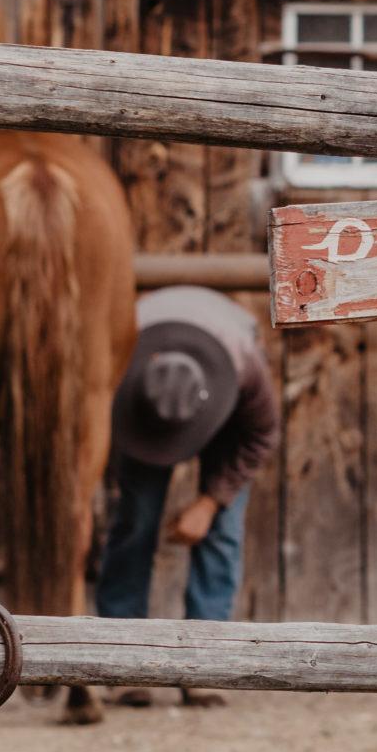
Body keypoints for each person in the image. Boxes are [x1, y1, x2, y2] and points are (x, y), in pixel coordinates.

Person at [96, 284, 280, 701]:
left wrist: (209, 503)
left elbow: (263, 436)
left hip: (224, 401)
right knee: (135, 522)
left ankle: (203, 663)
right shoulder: (119, 365)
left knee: (221, 532)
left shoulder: (244, 366)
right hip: (144, 402)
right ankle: (122, 661)